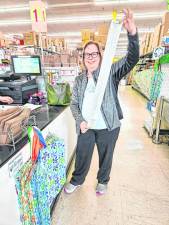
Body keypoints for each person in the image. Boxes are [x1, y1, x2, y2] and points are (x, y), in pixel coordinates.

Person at [64, 9, 139, 195]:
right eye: (86, 54)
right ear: (82, 58)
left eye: (94, 54)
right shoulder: (80, 80)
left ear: (100, 55)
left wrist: (132, 34)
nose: (90, 57)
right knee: (82, 155)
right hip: (86, 126)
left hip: (108, 126)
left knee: (106, 156)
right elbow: (74, 104)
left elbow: (132, 59)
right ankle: (77, 180)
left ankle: (103, 181)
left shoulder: (110, 72)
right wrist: (80, 120)